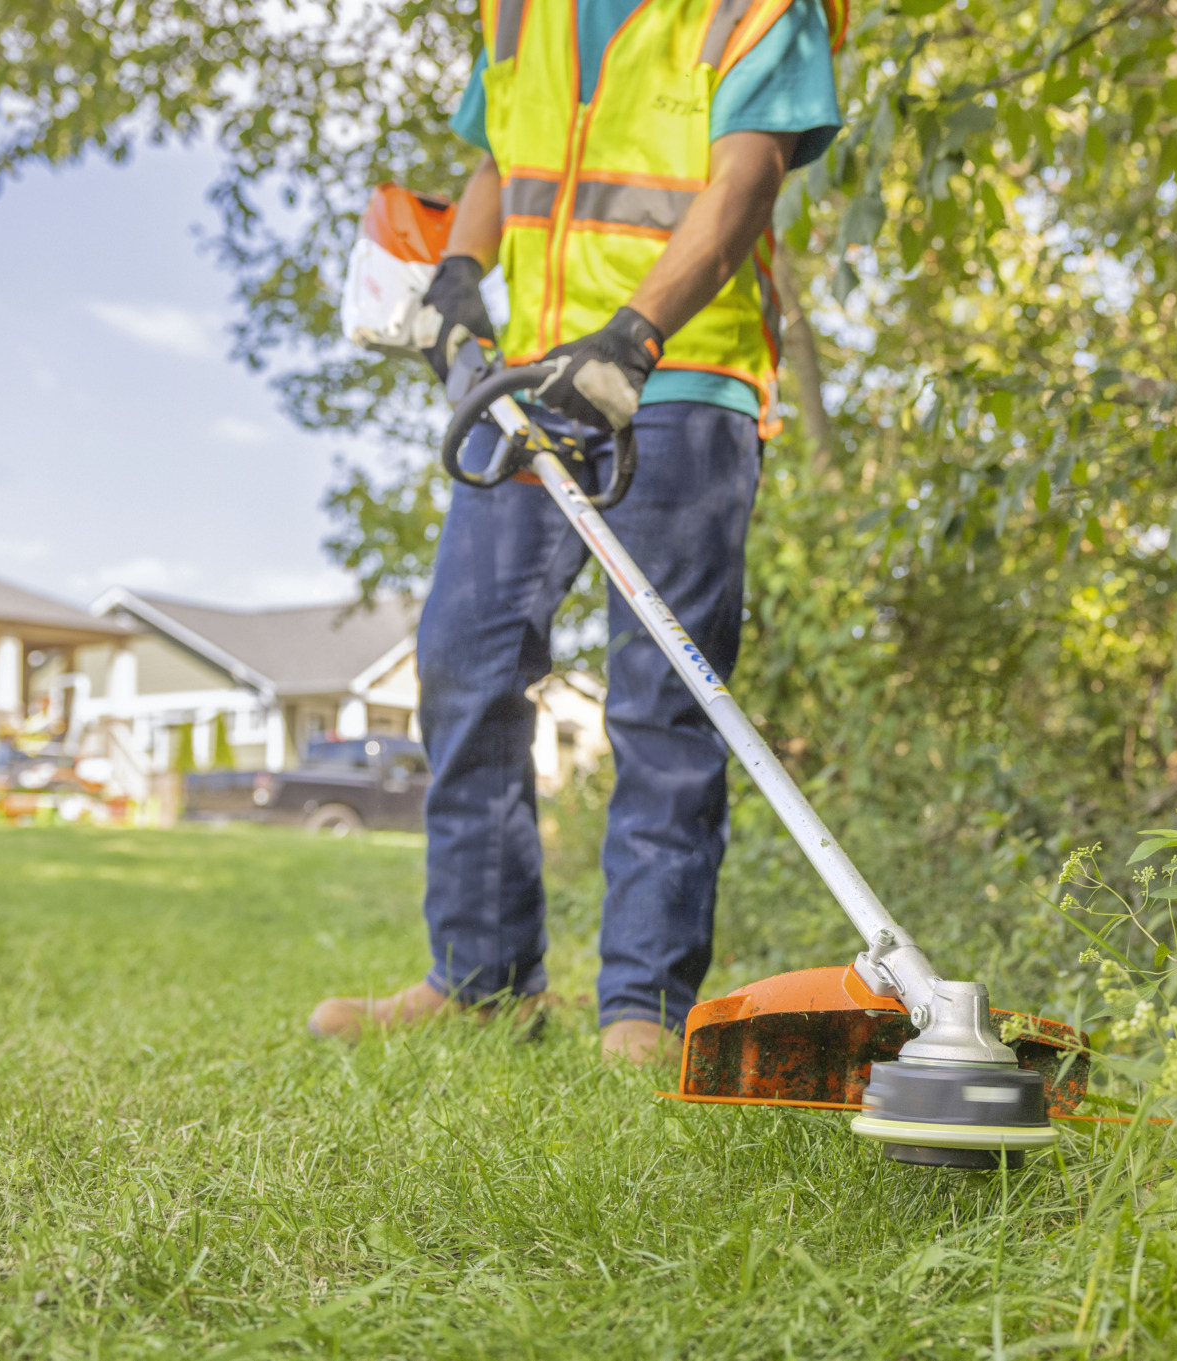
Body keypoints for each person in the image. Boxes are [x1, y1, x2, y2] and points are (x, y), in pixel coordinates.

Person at [308, 0, 843, 1062]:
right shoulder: (522, 11)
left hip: (681, 374)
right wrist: (459, 272)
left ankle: (644, 1005)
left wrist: (636, 337)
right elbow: (499, 165)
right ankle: (482, 983)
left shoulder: (757, 12)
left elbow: (746, 181)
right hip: (531, 381)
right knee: (464, 656)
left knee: (664, 695)